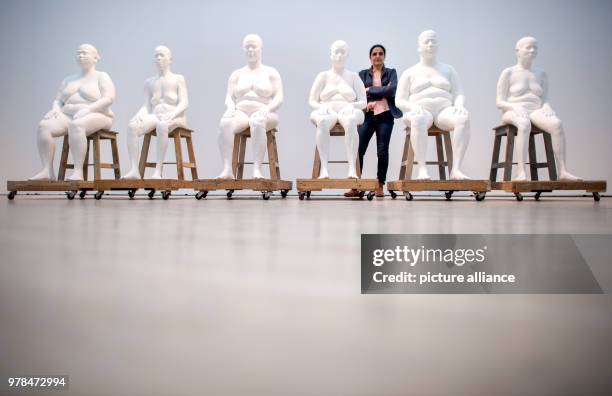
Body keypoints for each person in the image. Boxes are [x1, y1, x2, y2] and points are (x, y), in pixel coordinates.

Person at [496, 36, 580, 181]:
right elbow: (499, 102)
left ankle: (563, 171)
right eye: (528, 47)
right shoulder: (508, 73)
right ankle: (521, 172)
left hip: (535, 111)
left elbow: (545, 98)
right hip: (512, 111)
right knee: (524, 124)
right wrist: (515, 107)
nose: (532, 50)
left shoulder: (541, 74)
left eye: (535, 48)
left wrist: (547, 106)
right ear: (518, 51)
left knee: (556, 124)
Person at [29, 44, 115, 181]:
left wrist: (88, 109)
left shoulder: (101, 76)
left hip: (98, 114)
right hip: (68, 114)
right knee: (44, 126)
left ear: (95, 58)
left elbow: (109, 98)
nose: (80, 56)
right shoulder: (69, 79)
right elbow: (58, 100)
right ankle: (47, 171)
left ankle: (78, 172)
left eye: (84, 53)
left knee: (77, 125)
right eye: (78, 53)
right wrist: (55, 109)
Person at [396, 30, 471, 180]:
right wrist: (412, 107)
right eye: (426, 41)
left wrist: (459, 105)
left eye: (433, 41)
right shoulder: (410, 72)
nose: (430, 44)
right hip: (420, 110)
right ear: (419, 46)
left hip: (444, 111)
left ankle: (456, 169)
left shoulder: (448, 70)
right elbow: (399, 100)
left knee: (463, 119)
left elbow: (459, 93)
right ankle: (422, 169)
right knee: (419, 119)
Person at [216, 34, 283, 180]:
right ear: (243, 49)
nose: (250, 50)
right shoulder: (237, 74)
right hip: (241, 112)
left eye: (254, 46)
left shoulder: (271, 72)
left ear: (261, 49)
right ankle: (227, 169)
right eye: (247, 47)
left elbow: (279, 97)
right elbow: (229, 96)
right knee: (225, 123)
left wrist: (267, 109)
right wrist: (230, 107)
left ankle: (257, 170)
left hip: (265, 111)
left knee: (257, 121)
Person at [122, 46, 189, 180]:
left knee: (162, 126)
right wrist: (139, 114)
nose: (158, 58)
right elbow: (146, 105)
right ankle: (134, 170)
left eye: (162, 55)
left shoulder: (178, 79)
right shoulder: (149, 82)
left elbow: (184, 102)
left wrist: (174, 113)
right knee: (132, 127)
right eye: (156, 56)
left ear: (170, 59)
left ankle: (158, 170)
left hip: (176, 117)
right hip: (156, 116)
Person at [345, 44, 402, 198]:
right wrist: (381, 92)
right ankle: (355, 186)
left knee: (382, 152)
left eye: (380, 53)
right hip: (367, 116)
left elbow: (392, 90)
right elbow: (358, 95)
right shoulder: (362, 75)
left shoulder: (391, 73)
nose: (378, 56)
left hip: (386, 116)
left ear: (384, 56)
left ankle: (380, 185)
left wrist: (369, 90)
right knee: (358, 150)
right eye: (375, 53)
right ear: (370, 57)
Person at [309, 40, 367, 179]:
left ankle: (352, 168)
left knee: (351, 120)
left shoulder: (353, 76)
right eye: (336, 52)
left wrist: (351, 106)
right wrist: (322, 107)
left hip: (349, 110)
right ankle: (324, 169)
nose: (339, 55)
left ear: (347, 55)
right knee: (322, 121)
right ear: (331, 55)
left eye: (343, 52)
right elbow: (312, 100)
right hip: (327, 111)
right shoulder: (323, 76)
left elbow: (364, 102)